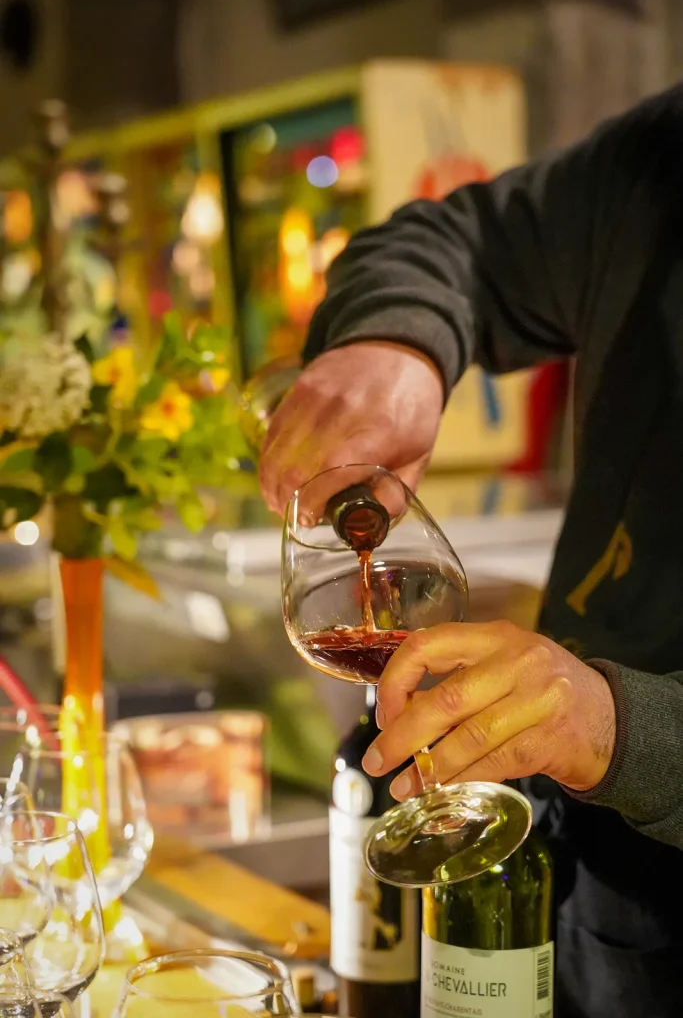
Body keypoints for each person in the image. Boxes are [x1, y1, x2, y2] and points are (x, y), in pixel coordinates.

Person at [259, 82, 683, 1018]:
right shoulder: (658, 156)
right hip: (598, 911)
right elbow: (448, 243)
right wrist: (394, 346)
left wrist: (622, 730)